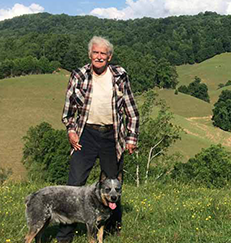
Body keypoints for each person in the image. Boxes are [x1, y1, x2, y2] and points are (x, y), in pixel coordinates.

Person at [58, 36, 139, 243]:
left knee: (113, 184)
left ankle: (113, 230)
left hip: (112, 137)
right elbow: (68, 111)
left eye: (103, 54)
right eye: (96, 53)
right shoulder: (79, 75)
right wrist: (71, 131)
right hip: (85, 135)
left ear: (109, 57)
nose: (99, 57)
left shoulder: (120, 75)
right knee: (74, 185)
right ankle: (65, 236)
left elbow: (132, 110)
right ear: (90, 54)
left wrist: (131, 138)